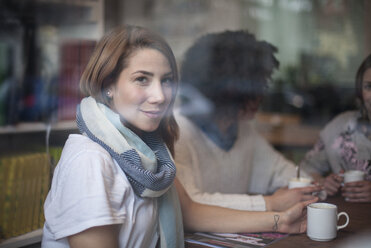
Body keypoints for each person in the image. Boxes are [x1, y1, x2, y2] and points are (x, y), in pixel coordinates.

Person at [41, 25, 317, 248]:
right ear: (108, 85)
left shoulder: (150, 151)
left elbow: (191, 212)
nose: (160, 96)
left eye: (167, 80)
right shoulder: (90, 160)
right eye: (142, 79)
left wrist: (279, 221)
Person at [174, 30, 320, 212]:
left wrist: (314, 186)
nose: (259, 97)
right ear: (220, 92)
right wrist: (270, 203)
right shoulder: (178, 132)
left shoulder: (243, 129)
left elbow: (281, 171)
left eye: (261, 86)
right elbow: (189, 202)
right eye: (247, 91)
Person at [300, 53, 371, 202]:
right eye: (369, 87)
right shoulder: (339, 128)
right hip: (345, 219)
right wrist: (322, 183)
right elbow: (304, 170)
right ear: (360, 91)